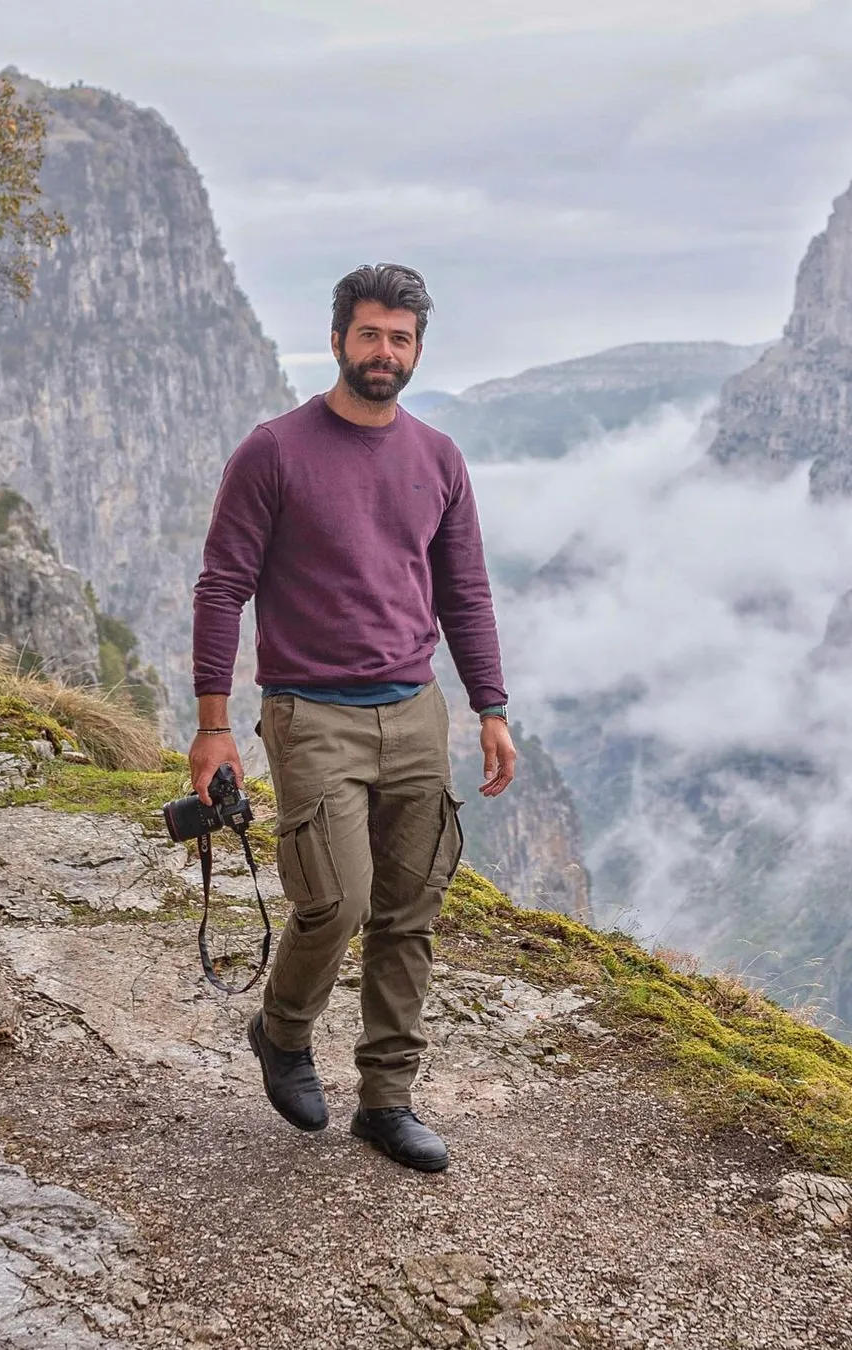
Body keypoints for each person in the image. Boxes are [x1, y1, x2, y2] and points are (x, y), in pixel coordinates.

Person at [190, 263, 516, 1172]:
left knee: (410, 912)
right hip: (310, 713)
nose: (384, 352)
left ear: (418, 350)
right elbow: (221, 589)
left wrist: (490, 707)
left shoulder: (438, 458)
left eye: (400, 338)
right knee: (336, 902)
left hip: (416, 712)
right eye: (369, 334)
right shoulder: (274, 451)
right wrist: (214, 726)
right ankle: (283, 1030)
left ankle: (386, 1100)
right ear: (337, 340)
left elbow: (464, 592)